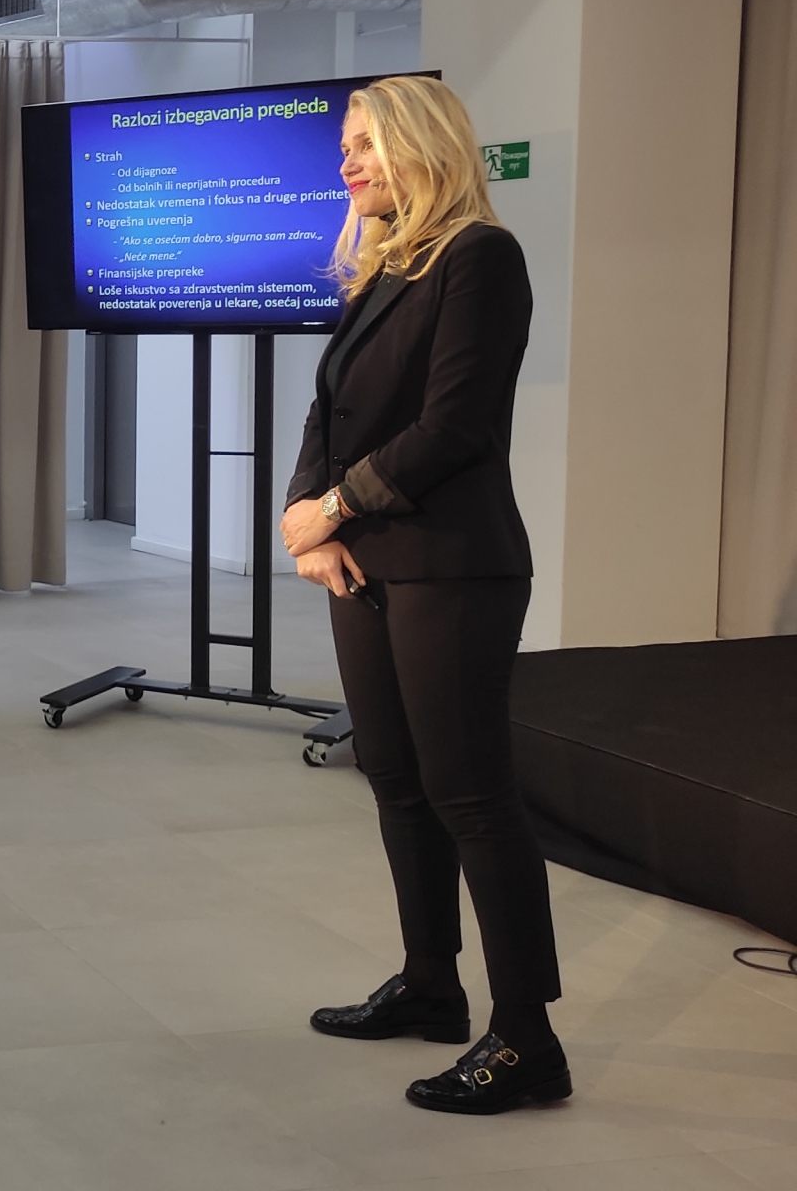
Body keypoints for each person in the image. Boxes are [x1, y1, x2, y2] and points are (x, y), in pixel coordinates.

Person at [280, 75, 567, 1116]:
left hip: (452, 564)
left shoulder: (480, 258)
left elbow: (454, 427)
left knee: (470, 795)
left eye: (364, 143)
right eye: (344, 145)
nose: (346, 162)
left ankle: (527, 1039)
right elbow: (329, 413)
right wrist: (304, 517)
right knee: (395, 777)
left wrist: (333, 508)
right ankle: (431, 984)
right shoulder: (384, 266)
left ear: (421, 145)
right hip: (365, 564)